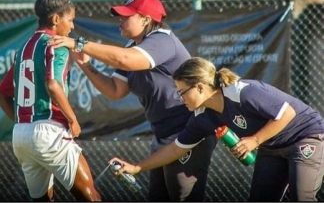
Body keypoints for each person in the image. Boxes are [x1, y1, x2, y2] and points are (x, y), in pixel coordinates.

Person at [47, 0, 217, 201]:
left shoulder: (162, 39)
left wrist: (79, 43)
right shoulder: (134, 46)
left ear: (146, 19)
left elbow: (126, 60)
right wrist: (85, 64)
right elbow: (115, 91)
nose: (120, 19)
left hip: (188, 131)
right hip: (164, 136)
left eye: (127, 16)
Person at [109, 56, 324, 202]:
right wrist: (137, 167)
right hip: (272, 147)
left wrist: (255, 140)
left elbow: (287, 114)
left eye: (182, 92)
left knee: (301, 198)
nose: (180, 98)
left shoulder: (241, 92)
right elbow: (175, 149)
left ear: (200, 87)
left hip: (306, 136)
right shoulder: (203, 116)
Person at [0, 0, 101, 202]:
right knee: (91, 197)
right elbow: (53, 85)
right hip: (49, 132)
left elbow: (2, 92)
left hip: (21, 136)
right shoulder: (57, 44)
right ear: (56, 19)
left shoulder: (24, 47)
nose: (72, 26)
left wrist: (21, 122)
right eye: (70, 20)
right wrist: (73, 119)